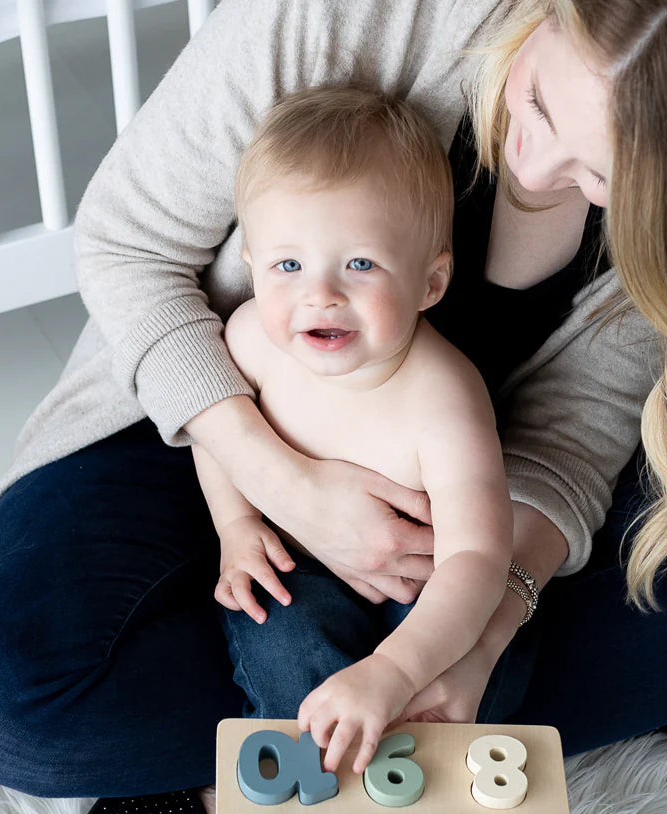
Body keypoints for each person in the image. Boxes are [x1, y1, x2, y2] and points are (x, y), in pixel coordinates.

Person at [0, 0, 667, 814]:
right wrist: (276, 485)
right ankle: (512, 730)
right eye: (538, 101)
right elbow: (130, 247)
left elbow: (574, 433)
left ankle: (241, 794)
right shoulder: (362, 15)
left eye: (602, 181)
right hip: (207, 417)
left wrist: (483, 630)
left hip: (475, 498)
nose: (534, 165)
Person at [197, 85, 524, 775]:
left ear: (430, 284)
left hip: (425, 597)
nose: (321, 294)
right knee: (276, 635)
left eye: (361, 264)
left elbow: (477, 562)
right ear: (252, 268)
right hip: (299, 573)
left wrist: (396, 670)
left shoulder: (445, 397)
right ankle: (307, 778)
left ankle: (415, 787)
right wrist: (234, 525)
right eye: (288, 265)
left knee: (482, 669)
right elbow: (216, 434)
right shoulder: (253, 337)